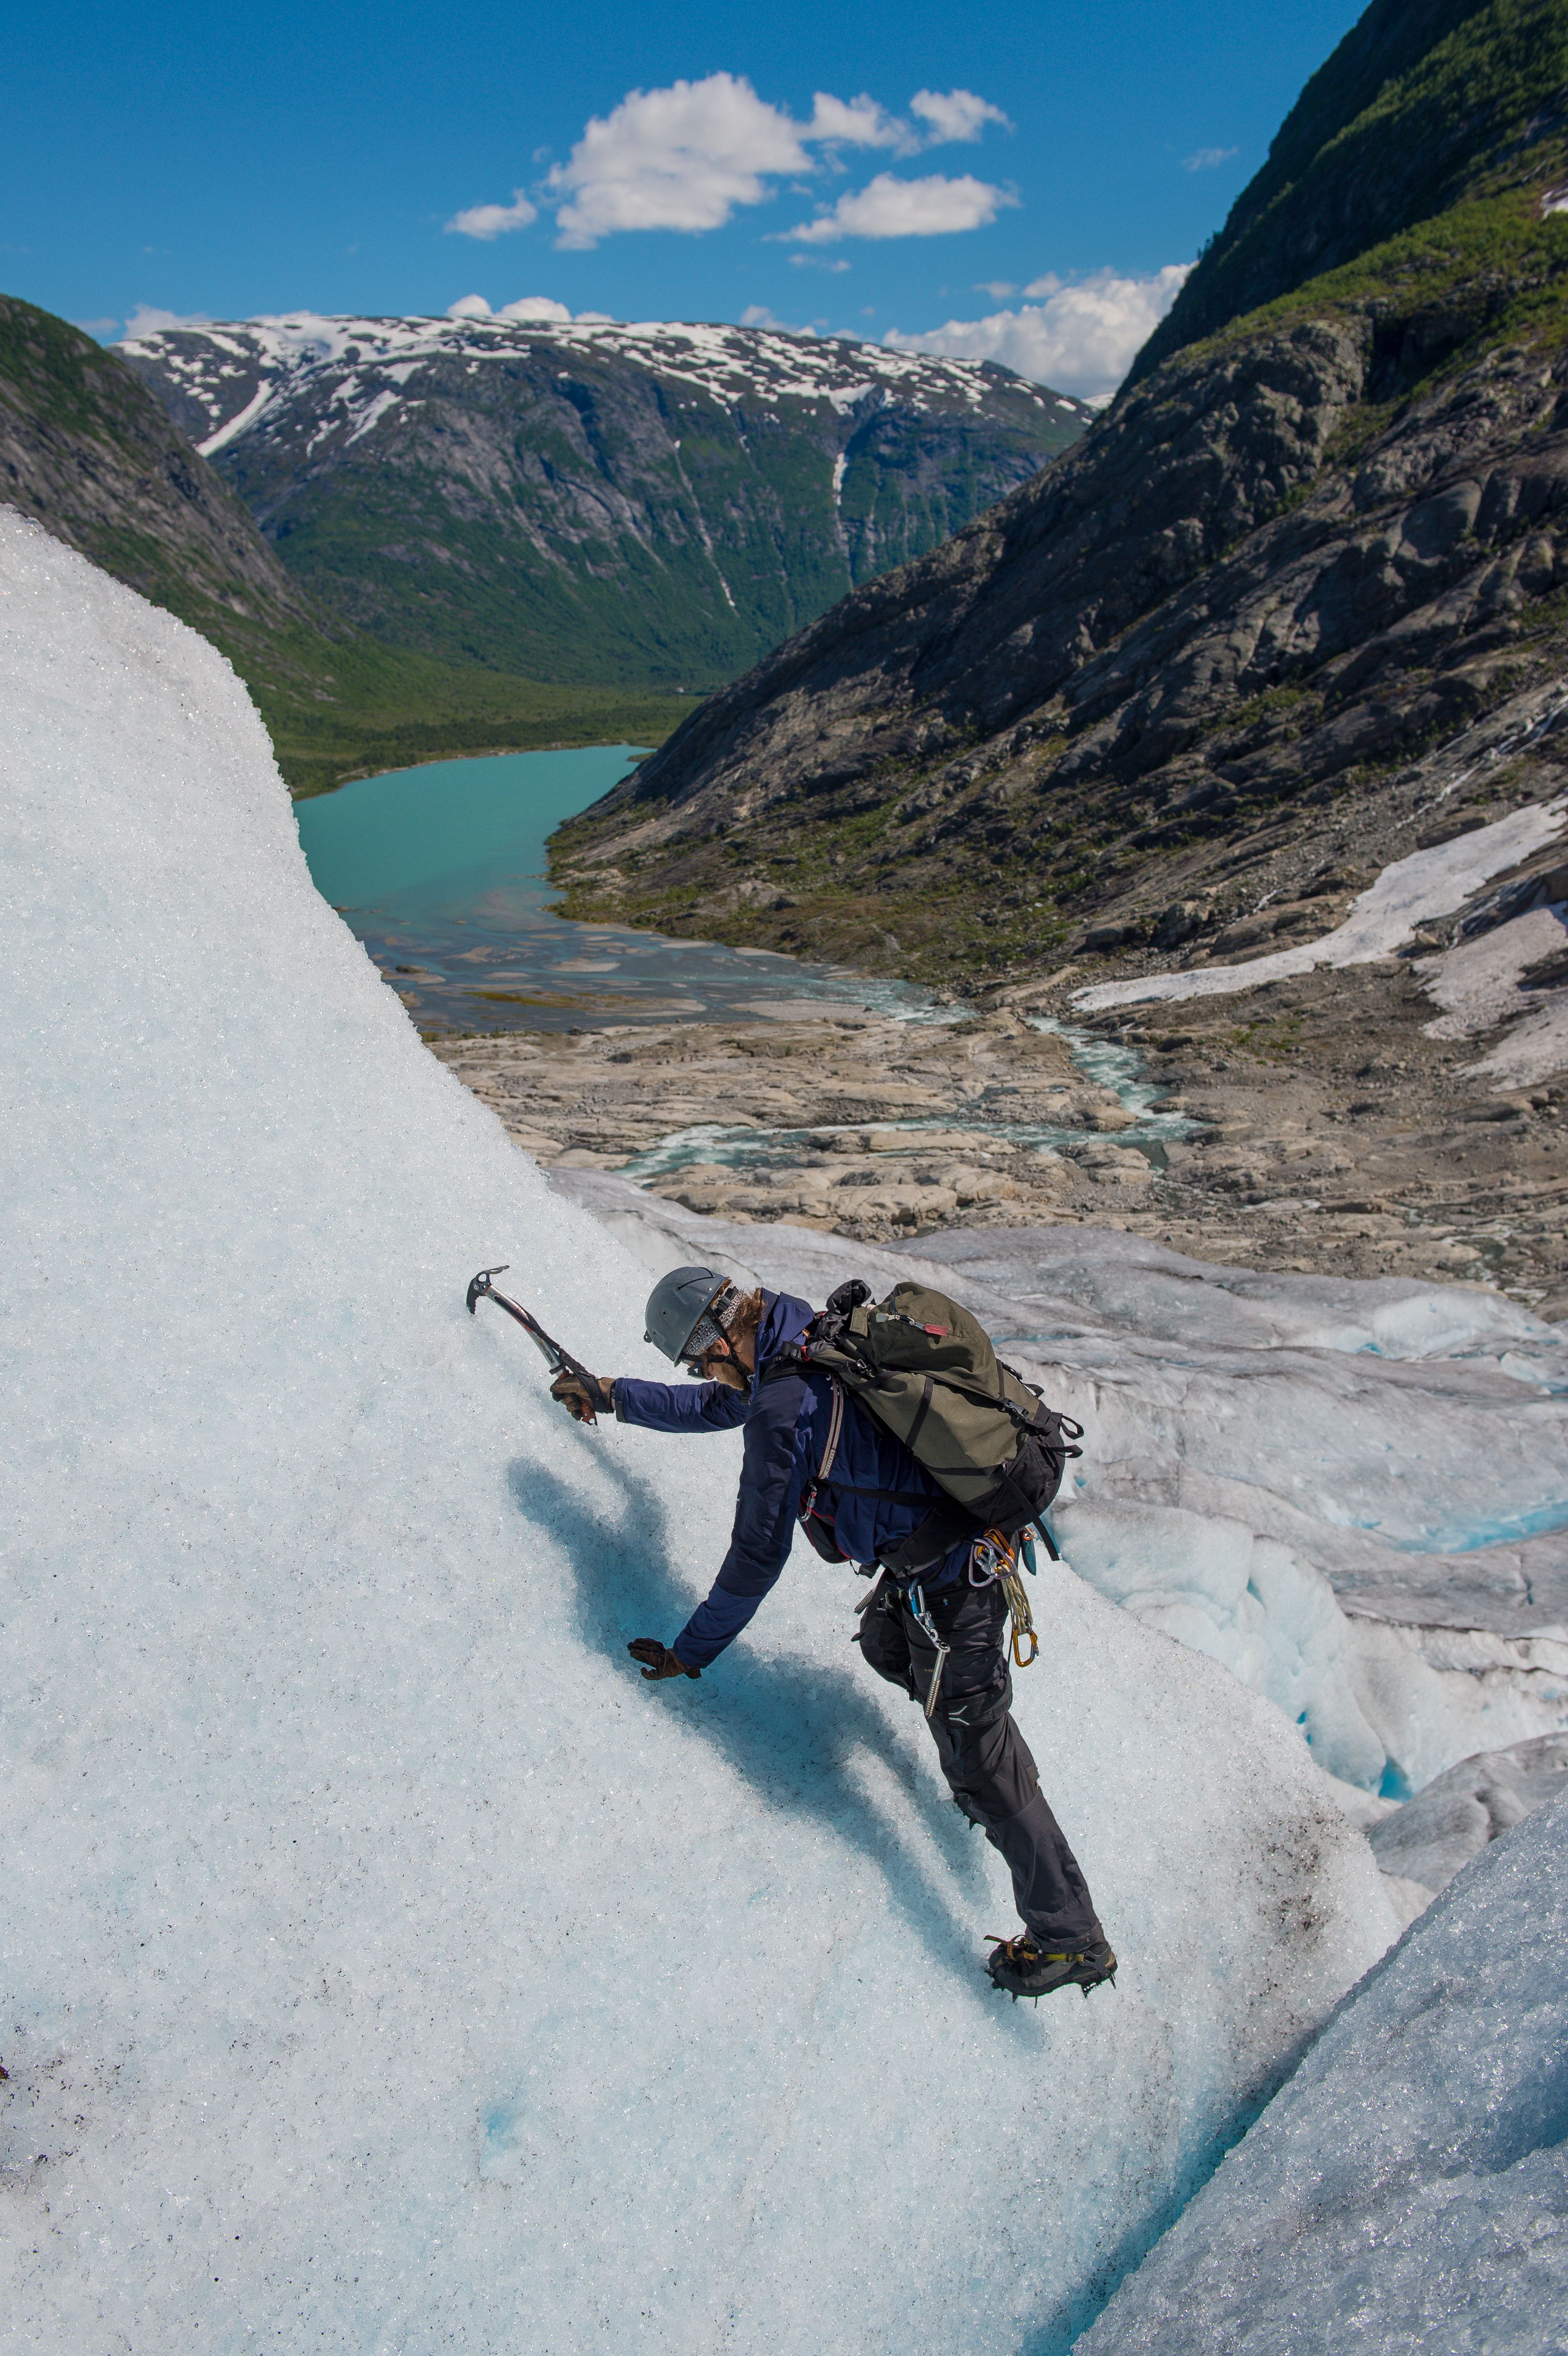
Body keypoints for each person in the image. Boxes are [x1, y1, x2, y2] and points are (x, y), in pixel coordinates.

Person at [551, 1265, 1115, 2001]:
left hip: (956, 1583)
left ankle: (1071, 1939)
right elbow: (721, 1408)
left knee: (979, 1750)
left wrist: (692, 1652)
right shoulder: (800, 1331)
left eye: (700, 1361)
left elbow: (758, 1554)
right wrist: (614, 1397)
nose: (705, 1375)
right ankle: (976, 1758)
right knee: (887, 1647)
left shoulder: (784, 1406)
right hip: (934, 1567)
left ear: (719, 1337)